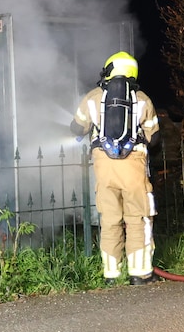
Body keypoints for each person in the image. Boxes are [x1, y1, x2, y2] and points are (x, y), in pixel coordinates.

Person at [69, 51, 162, 285]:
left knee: (110, 220)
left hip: (104, 168)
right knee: (138, 218)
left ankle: (111, 274)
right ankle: (140, 273)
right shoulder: (142, 99)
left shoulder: (93, 97)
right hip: (133, 167)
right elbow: (155, 138)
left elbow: (76, 128)